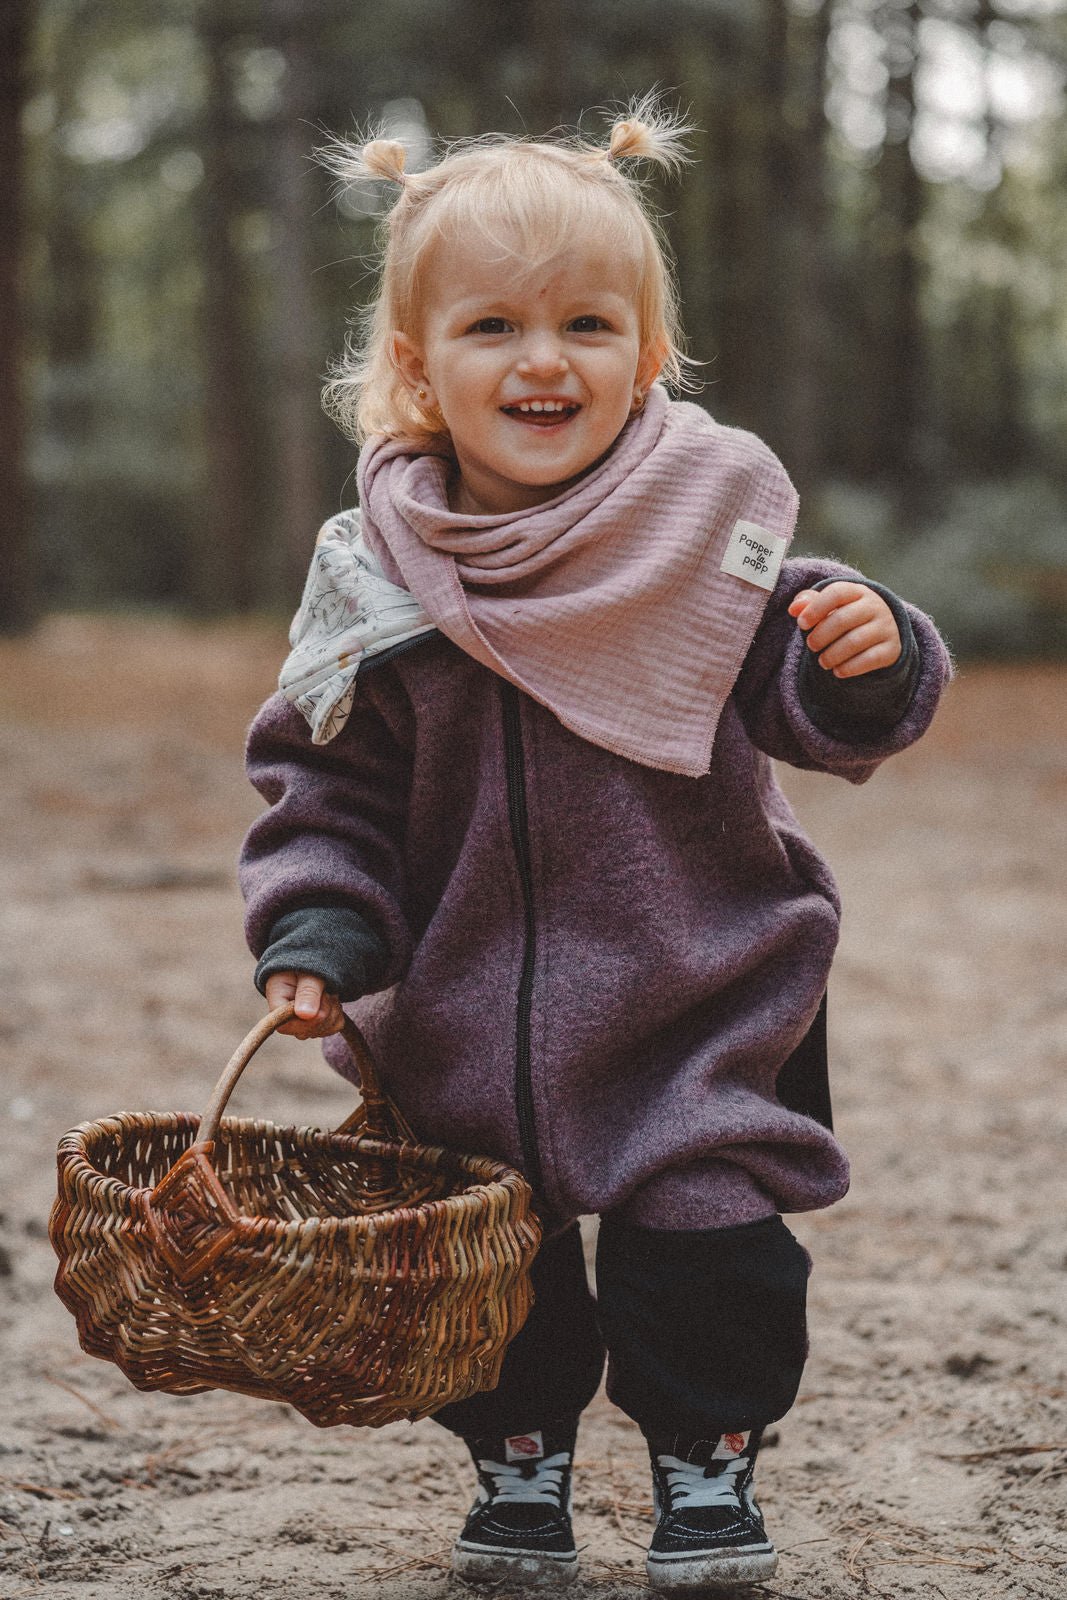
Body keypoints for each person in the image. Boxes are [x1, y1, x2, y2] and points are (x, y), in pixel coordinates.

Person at [238, 98, 952, 1592]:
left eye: (589, 324)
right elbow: (325, 787)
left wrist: (864, 661)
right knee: (488, 1265)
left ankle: (708, 1463)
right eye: (494, 326)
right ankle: (517, 1462)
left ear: (650, 355)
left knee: (710, 1250)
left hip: (699, 979)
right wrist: (315, 935)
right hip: (460, 1000)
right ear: (420, 366)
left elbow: (815, 707)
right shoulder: (378, 576)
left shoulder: (712, 535)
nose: (546, 360)